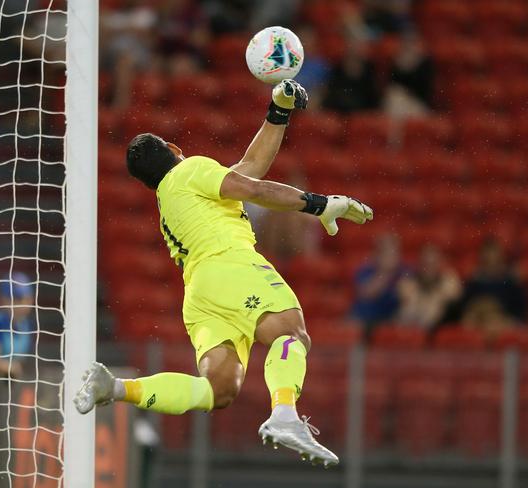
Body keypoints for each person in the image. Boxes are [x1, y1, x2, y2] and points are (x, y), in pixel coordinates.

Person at [74, 80, 373, 466]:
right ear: (175, 150)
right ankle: (285, 414)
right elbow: (254, 188)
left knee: (218, 390)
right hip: (230, 264)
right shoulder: (192, 170)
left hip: (200, 293)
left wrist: (278, 112)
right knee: (290, 332)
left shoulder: (174, 199)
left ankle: (113, 387)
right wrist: (319, 204)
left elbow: (249, 166)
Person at [460, 238, 528, 323]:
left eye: (495, 257)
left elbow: (519, 311)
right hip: (479, 320)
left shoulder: (511, 282)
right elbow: (466, 308)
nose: (491, 259)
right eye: (488, 258)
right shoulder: (474, 282)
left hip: (503, 321)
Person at [350, 233, 408, 330]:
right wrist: (385, 273)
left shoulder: (404, 272)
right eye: (386, 252)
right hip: (364, 318)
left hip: (392, 320)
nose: (390, 256)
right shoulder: (365, 270)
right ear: (377, 254)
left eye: (393, 251)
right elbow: (366, 294)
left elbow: (407, 297)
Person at [396, 244, 462, 330]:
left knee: (436, 303)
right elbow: (406, 309)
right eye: (425, 264)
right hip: (411, 328)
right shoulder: (407, 282)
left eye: (432, 263)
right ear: (419, 263)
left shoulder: (450, 279)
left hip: (440, 327)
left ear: (439, 263)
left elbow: (452, 297)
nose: (429, 268)